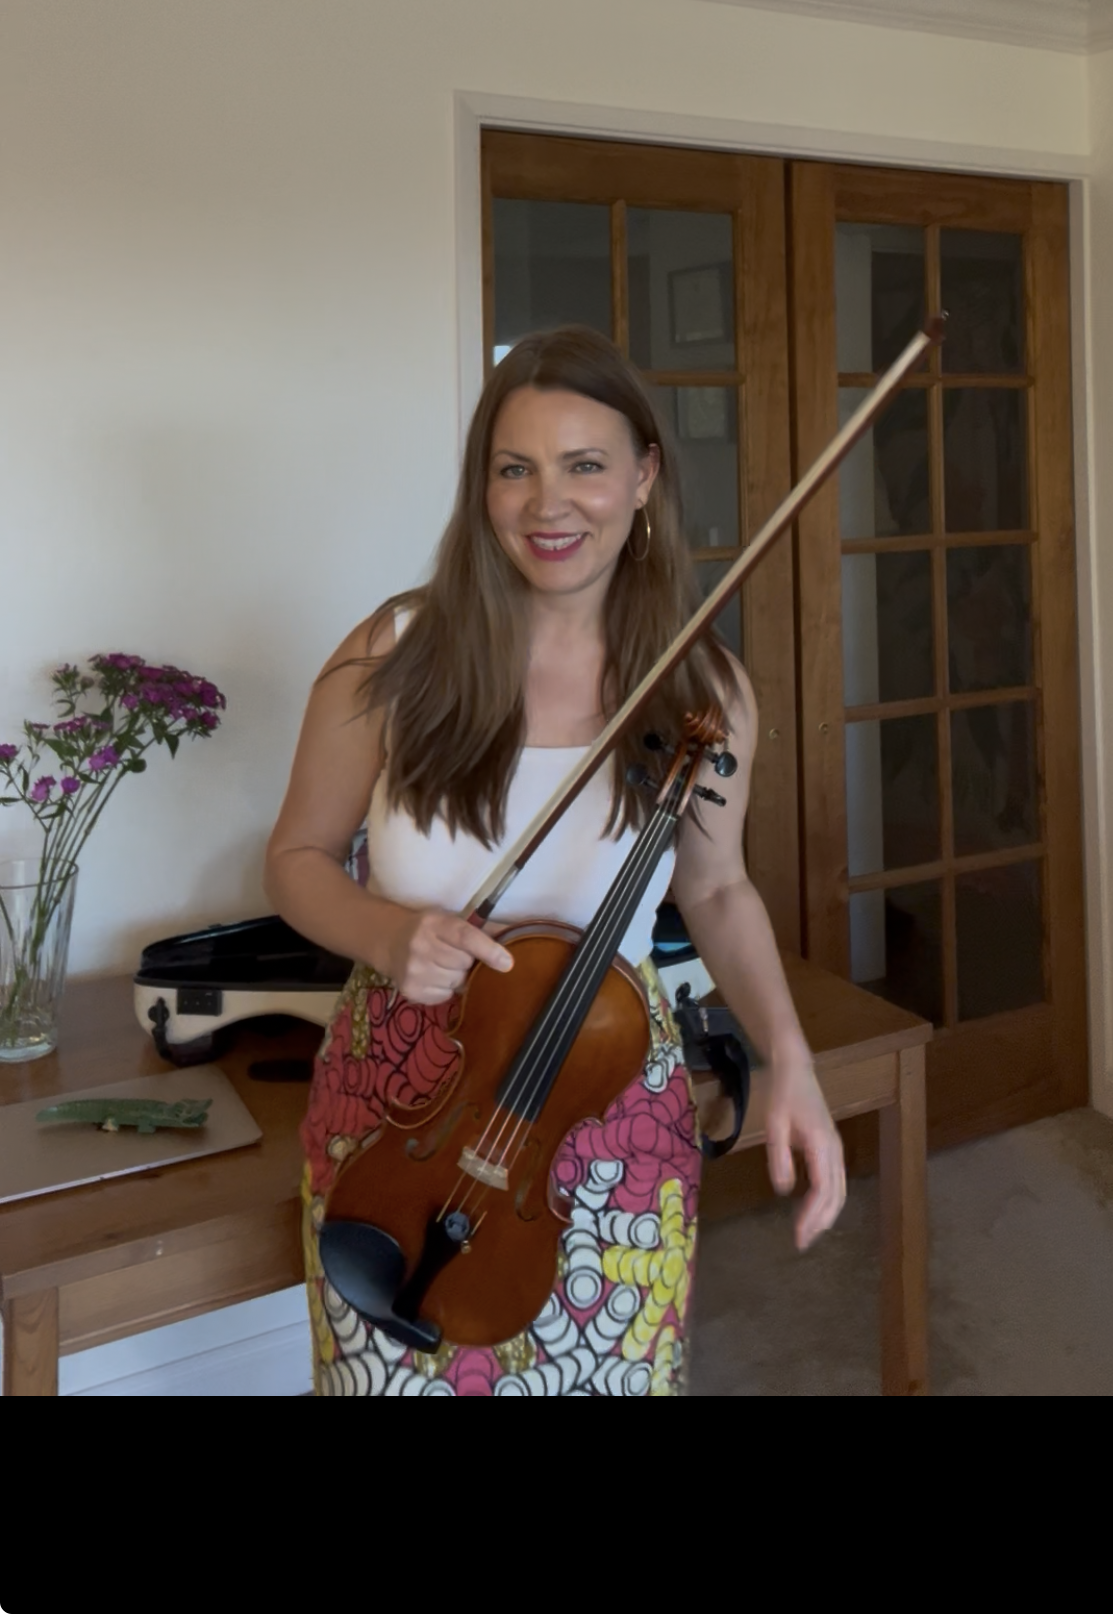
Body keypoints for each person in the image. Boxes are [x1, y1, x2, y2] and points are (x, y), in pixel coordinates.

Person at [267, 325, 845, 1397]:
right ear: (481, 486)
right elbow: (296, 858)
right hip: (403, 1114)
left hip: (605, 1100)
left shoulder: (701, 687)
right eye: (515, 469)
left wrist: (789, 1056)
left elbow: (717, 888)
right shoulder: (394, 653)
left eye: (585, 465)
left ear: (644, 478)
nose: (548, 504)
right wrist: (388, 933)